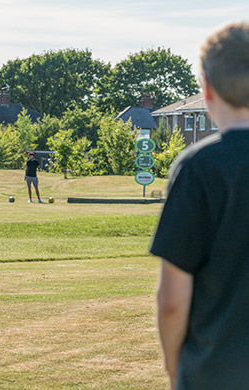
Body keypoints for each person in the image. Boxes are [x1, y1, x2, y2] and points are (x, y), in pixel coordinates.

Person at [151, 22, 249, 390]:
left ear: (206, 88)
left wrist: (174, 368)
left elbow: (173, 298)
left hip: (214, 372)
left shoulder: (198, 168)